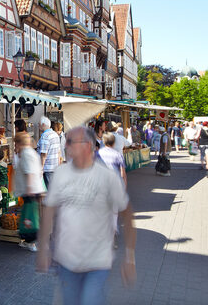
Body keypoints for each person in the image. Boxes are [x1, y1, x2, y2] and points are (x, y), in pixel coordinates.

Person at [36, 126, 136, 304]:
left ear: (88, 146)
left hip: (97, 262)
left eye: (70, 142)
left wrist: (129, 257)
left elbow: (127, 215)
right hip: (66, 261)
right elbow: (49, 211)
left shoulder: (107, 177)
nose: (65, 146)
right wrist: (44, 247)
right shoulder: (61, 173)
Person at [13, 132, 46, 252]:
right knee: (31, 216)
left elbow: (29, 172)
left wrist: (29, 189)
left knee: (29, 218)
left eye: (15, 143)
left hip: (31, 190)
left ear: (19, 143)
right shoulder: (30, 152)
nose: (15, 146)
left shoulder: (26, 154)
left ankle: (31, 242)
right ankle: (32, 241)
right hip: (35, 189)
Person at [37, 116, 61, 189]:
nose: (38, 126)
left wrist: (41, 169)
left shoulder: (45, 136)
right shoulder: (55, 135)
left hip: (47, 168)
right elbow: (58, 152)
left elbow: (43, 155)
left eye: (39, 124)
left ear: (43, 124)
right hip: (55, 167)